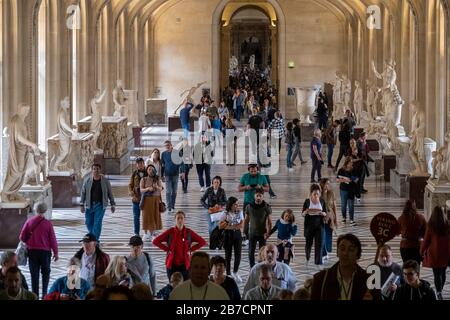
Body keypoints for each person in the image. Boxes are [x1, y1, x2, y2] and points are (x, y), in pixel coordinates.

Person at [311, 234, 380, 300]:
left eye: (351, 249)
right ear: (337, 252)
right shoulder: (321, 279)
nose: (345, 253)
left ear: (358, 255)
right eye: (342, 248)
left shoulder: (370, 281)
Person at [19, 202, 58, 298]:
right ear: (45, 210)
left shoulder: (29, 222)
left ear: (35, 210)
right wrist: (56, 253)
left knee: (34, 275)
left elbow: (22, 237)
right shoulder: (48, 224)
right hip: (45, 252)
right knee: (46, 273)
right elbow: (53, 239)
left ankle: (34, 295)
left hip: (32, 252)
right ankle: (44, 294)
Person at [153, 211, 206, 280]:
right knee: (173, 286)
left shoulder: (188, 232)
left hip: (185, 266)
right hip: (172, 265)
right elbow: (155, 241)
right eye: (178, 218)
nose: (180, 220)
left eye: (182, 218)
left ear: (184, 220)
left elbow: (202, 242)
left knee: (185, 287)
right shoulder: (170, 232)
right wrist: (167, 249)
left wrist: (190, 250)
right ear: (175, 220)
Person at [420, 206, 450, 300]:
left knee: (437, 274)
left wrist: (421, 251)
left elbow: (426, 240)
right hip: (446, 253)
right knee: (443, 272)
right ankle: (440, 289)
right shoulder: (448, 224)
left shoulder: (431, 225)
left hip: (435, 254)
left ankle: (439, 291)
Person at [80, 163, 116, 241]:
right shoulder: (87, 180)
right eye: (94, 169)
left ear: (100, 170)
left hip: (100, 205)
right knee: (88, 222)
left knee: (97, 223)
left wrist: (112, 204)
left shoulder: (105, 181)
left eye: (97, 169)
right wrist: (81, 204)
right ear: (92, 170)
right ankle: (93, 237)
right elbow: (83, 192)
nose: (96, 170)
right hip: (89, 205)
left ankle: (94, 240)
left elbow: (110, 192)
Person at [244, 188, 272, 268]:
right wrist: (244, 231)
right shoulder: (249, 206)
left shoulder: (266, 207)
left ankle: (262, 267)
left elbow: (269, 221)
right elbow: (246, 220)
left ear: (263, 196)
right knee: (251, 252)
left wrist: (268, 232)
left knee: (263, 252)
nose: (259, 197)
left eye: (260, 196)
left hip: (262, 233)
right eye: (257, 196)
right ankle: (252, 268)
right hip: (252, 233)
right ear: (254, 196)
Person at [218, 197, 244, 281]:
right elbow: (220, 226)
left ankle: (235, 272)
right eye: (235, 204)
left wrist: (229, 226)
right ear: (231, 205)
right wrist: (227, 224)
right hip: (228, 236)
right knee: (228, 255)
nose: (237, 206)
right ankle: (228, 273)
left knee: (238, 255)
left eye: (238, 204)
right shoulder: (225, 213)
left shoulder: (240, 212)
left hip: (237, 235)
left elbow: (241, 225)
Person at [302, 184, 327, 266]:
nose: (316, 195)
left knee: (319, 244)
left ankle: (318, 262)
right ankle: (307, 255)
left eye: (317, 193)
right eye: (314, 193)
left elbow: (325, 212)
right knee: (308, 243)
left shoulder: (322, 201)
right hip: (309, 225)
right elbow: (302, 214)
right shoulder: (307, 201)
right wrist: (306, 212)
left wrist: (323, 213)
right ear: (311, 193)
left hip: (319, 224)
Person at [397, 200, 426, 264]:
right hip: (417, 246)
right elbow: (425, 233)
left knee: (406, 266)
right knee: (416, 267)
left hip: (404, 246)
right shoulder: (421, 217)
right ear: (415, 207)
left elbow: (396, 232)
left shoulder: (401, 218)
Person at [140, 164, 164, 241]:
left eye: (152, 169)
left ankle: (154, 233)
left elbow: (161, 189)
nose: (150, 171)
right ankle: (146, 233)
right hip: (146, 200)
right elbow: (141, 190)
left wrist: (156, 187)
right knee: (146, 216)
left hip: (155, 200)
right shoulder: (143, 179)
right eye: (149, 169)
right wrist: (147, 189)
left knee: (155, 216)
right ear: (147, 171)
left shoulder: (157, 179)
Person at [319, 178, 338, 260]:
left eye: (329, 184)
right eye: (326, 184)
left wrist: (336, 219)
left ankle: (327, 250)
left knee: (328, 236)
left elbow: (334, 206)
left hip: (330, 216)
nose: (328, 186)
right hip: (321, 217)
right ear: (322, 185)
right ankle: (324, 253)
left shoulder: (331, 193)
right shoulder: (318, 194)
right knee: (321, 235)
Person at [337, 157, 358, 226]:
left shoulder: (354, 169)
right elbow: (337, 180)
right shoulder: (341, 170)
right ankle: (344, 218)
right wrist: (345, 180)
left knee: (351, 205)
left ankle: (351, 220)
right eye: (350, 162)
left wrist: (355, 180)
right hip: (343, 189)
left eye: (352, 162)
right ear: (346, 163)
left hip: (351, 189)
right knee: (343, 205)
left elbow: (357, 178)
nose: (351, 164)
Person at [128, 157, 147, 236]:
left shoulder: (148, 172)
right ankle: (136, 233)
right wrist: (131, 191)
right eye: (139, 163)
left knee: (146, 216)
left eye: (142, 163)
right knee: (136, 217)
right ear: (136, 165)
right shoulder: (134, 174)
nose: (140, 165)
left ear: (144, 164)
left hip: (146, 198)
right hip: (136, 198)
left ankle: (147, 232)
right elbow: (130, 184)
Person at [161, 140, 181, 213]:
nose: (167, 147)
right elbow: (162, 165)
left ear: (171, 145)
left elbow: (180, 163)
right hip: (167, 175)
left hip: (175, 174)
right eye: (166, 146)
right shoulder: (163, 154)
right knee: (168, 191)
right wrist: (161, 175)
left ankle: (173, 205)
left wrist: (182, 172)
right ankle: (169, 206)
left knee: (174, 191)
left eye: (168, 145)